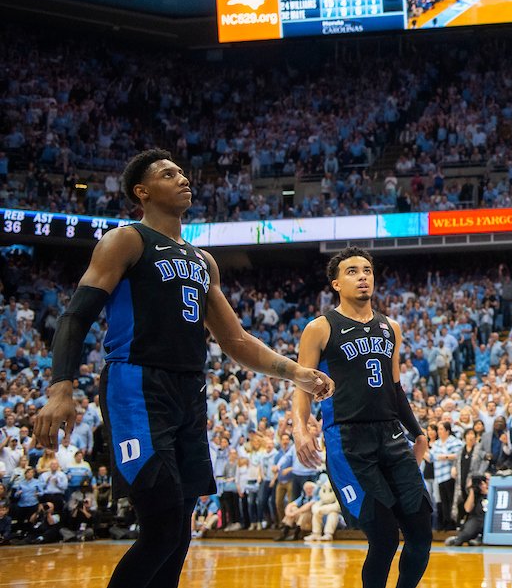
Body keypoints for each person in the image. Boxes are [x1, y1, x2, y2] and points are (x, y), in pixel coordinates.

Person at [33, 149, 333, 588]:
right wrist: (61, 387)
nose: (182, 178)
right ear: (143, 191)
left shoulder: (202, 260)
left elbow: (235, 340)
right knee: (163, 524)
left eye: (181, 172)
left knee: (180, 531)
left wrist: (297, 373)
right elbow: (76, 316)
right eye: (168, 174)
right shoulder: (126, 240)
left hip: (189, 391)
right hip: (136, 383)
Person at [293, 247, 432, 588]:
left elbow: (395, 388)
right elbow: (301, 384)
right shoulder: (320, 328)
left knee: (421, 530)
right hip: (347, 440)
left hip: (391, 436)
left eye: (367, 270)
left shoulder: (391, 327)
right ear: (336, 283)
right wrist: (300, 427)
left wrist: (417, 432)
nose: (363, 276)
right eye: (352, 271)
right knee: (383, 537)